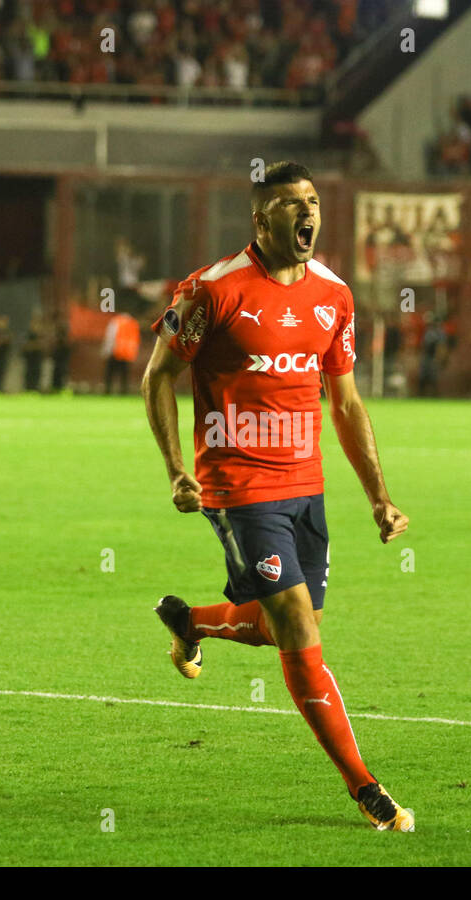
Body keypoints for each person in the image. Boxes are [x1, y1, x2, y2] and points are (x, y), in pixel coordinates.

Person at [141, 161, 414, 832]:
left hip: (305, 487)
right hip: (237, 485)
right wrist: (178, 469)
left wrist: (380, 496)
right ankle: (366, 789)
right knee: (294, 621)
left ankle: (194, 622)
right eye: (292, 205)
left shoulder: (335, 297)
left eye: (314, 201)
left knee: (288, 628)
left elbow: (345, 403)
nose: (308, 213)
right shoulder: (214, 291)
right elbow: (159, 377)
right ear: (262, 220)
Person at [102, 312, 139, 394]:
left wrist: (106, 351)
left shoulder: (116, 321)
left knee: (110, 373)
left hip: (116, 352)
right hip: (127, 353)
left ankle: (107, 391)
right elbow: (136, 340)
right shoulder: (133, 323)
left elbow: (110, 337)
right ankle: (124, 391)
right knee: (124, 375)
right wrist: (133, 354)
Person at [21, 309, 45, 392]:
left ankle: (35, 389)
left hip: (37, 359)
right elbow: (25, 347)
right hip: (29, 360)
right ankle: (28, 389)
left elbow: (43, 346)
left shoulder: (41, 335)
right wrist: (35, 345)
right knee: (29, 375)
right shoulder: (28, 334)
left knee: (37, 374)